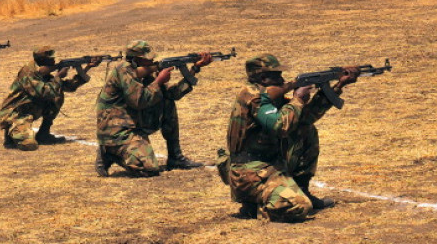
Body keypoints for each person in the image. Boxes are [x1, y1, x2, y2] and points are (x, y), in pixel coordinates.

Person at [225, 54, 359, 221]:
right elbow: (280, 127)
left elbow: (304, 118)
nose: (282, 79)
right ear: (263, 77)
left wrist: (339, 85)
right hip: (249, 172)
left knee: (306, 130)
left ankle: (301, 189)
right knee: (299, 206)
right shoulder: (254, 97)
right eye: (276, 75)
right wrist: (297, 100)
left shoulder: (269, 96)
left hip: (267, 165)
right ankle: (255, 207)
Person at [95, 40, 212, 177]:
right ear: (136, 59)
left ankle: (175, 157)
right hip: (116, 131)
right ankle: (108, 153)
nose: (152, 61)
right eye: (148, 59)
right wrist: (158, 81)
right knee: (148, 168)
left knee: (167, 101)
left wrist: (195, 69)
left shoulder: (145, 72)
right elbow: (138, 101)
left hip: (133, 124)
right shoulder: (123, 70)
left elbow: (172, 94)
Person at [0, 46, 98, 151]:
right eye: (51, 59)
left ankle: (44, 134)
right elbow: (45, 92)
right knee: (29, 145)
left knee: (57, 94)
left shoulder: (44, 74)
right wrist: (58, 76)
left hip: (29, 110)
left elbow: (69, 87)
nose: (54, 60)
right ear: (41, 60)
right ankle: (10, 136)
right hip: (15, 114)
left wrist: (87, 67)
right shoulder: (28, 73)